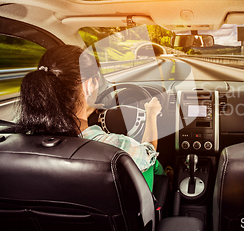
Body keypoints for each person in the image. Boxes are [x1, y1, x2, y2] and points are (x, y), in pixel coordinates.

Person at [15, 44, 163, 190]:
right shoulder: (116, 150)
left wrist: (86, 110)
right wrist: (151, 114)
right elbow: (148, 152)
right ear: (88, 85)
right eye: (96, 79)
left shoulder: (19, 146)